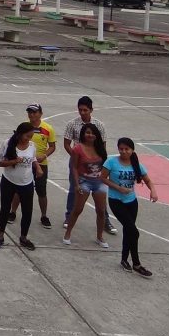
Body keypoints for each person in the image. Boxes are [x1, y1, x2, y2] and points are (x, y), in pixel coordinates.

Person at [102, 137, 159, 277]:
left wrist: (153, 190)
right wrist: (118, 188)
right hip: (116, 201)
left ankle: (124, 259)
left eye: (126, 149)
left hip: (131, 202)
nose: (123, 151)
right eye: (121, 149)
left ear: (132, 150)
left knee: (129, 230)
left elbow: (148, 180)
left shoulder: (136, 164)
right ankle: (137, 264)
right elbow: (102, 178)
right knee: (134, 232)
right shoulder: (111, 162)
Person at [63, 96, 116, 234]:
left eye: (85, 110)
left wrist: (100, 162)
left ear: (91, 110)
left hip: (95, 163)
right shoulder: (72, 124)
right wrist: (77, 157)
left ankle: (106, 221)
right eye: (80, 110)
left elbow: (103, 147)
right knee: (75, 188)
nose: (82, 112)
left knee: (100, 191)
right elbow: (67, 144)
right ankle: (68, 217)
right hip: (77, 160)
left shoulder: (99, 125)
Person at [0, 122, 42, 250]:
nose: (29, 139)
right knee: (5, 209)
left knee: (27, 211)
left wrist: (37, 168)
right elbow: (0, 163)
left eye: (31, 136)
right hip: (8, 181)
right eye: (27, 136)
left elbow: (33, 159)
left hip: (26, 183)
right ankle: (0, 236)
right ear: (20, 134)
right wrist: (14, 161)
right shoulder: (7, 143)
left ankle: (23, 237)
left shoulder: (32, 146)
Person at [63, 122, 110, 248]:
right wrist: (77, 184)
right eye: (88, 132)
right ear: (83, 134)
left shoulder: (100, 148)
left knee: (101, 211)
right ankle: (68, 233)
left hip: (99, 183)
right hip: (84, 182)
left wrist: (107, 180)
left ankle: (99, 237)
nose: (90, 135)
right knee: (78, 209)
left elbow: (105, 166)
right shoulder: (78, 148)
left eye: (93, 133)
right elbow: (74, 167)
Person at [11, 104, 56, 228]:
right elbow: (15, 140)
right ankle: (13, 212)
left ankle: (44, 215)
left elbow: (52, 146)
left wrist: (44, 155)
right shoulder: (24, 126)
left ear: (41, 113)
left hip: (41, 163)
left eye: (35, 112)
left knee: (41, 191)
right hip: (24, 163)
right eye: (30, 112)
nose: (32, 115)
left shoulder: (48, 129)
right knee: (19, 189)